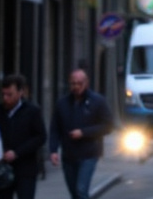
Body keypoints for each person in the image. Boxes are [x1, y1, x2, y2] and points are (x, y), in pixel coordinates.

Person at [49, 68, 114, 199]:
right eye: (73, 83)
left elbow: (108, 126)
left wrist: (84, 133)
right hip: (69, 155)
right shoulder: (62, 104)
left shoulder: (97, 101)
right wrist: (53, 150)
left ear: (86, 83)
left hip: (89, 153)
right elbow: (55, 128)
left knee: (81, 190)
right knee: (74, 193)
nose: (76, 86)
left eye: (80, 83)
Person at [0, 75, 47, 199]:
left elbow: (40, 137)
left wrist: (17, 152)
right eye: (3, 94)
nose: (6, 98)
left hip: (25, 169)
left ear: (20, 92)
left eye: (10, 94)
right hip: (3, 169)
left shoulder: (32, 111)